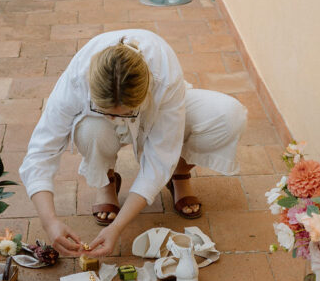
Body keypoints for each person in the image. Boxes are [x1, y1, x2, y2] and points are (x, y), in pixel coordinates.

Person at [19, 28, 248, 259]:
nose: (115, 120)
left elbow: (159, 159)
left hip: (161, 107)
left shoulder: (164, 76)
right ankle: (106, 181)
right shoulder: (77, 79)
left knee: (230, 116)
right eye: (105, 111)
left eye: (125, 114)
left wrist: (117, 227)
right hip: (99, 125)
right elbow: (40, 151)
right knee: (92, 129)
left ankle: (178, 173)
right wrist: (50, 223)